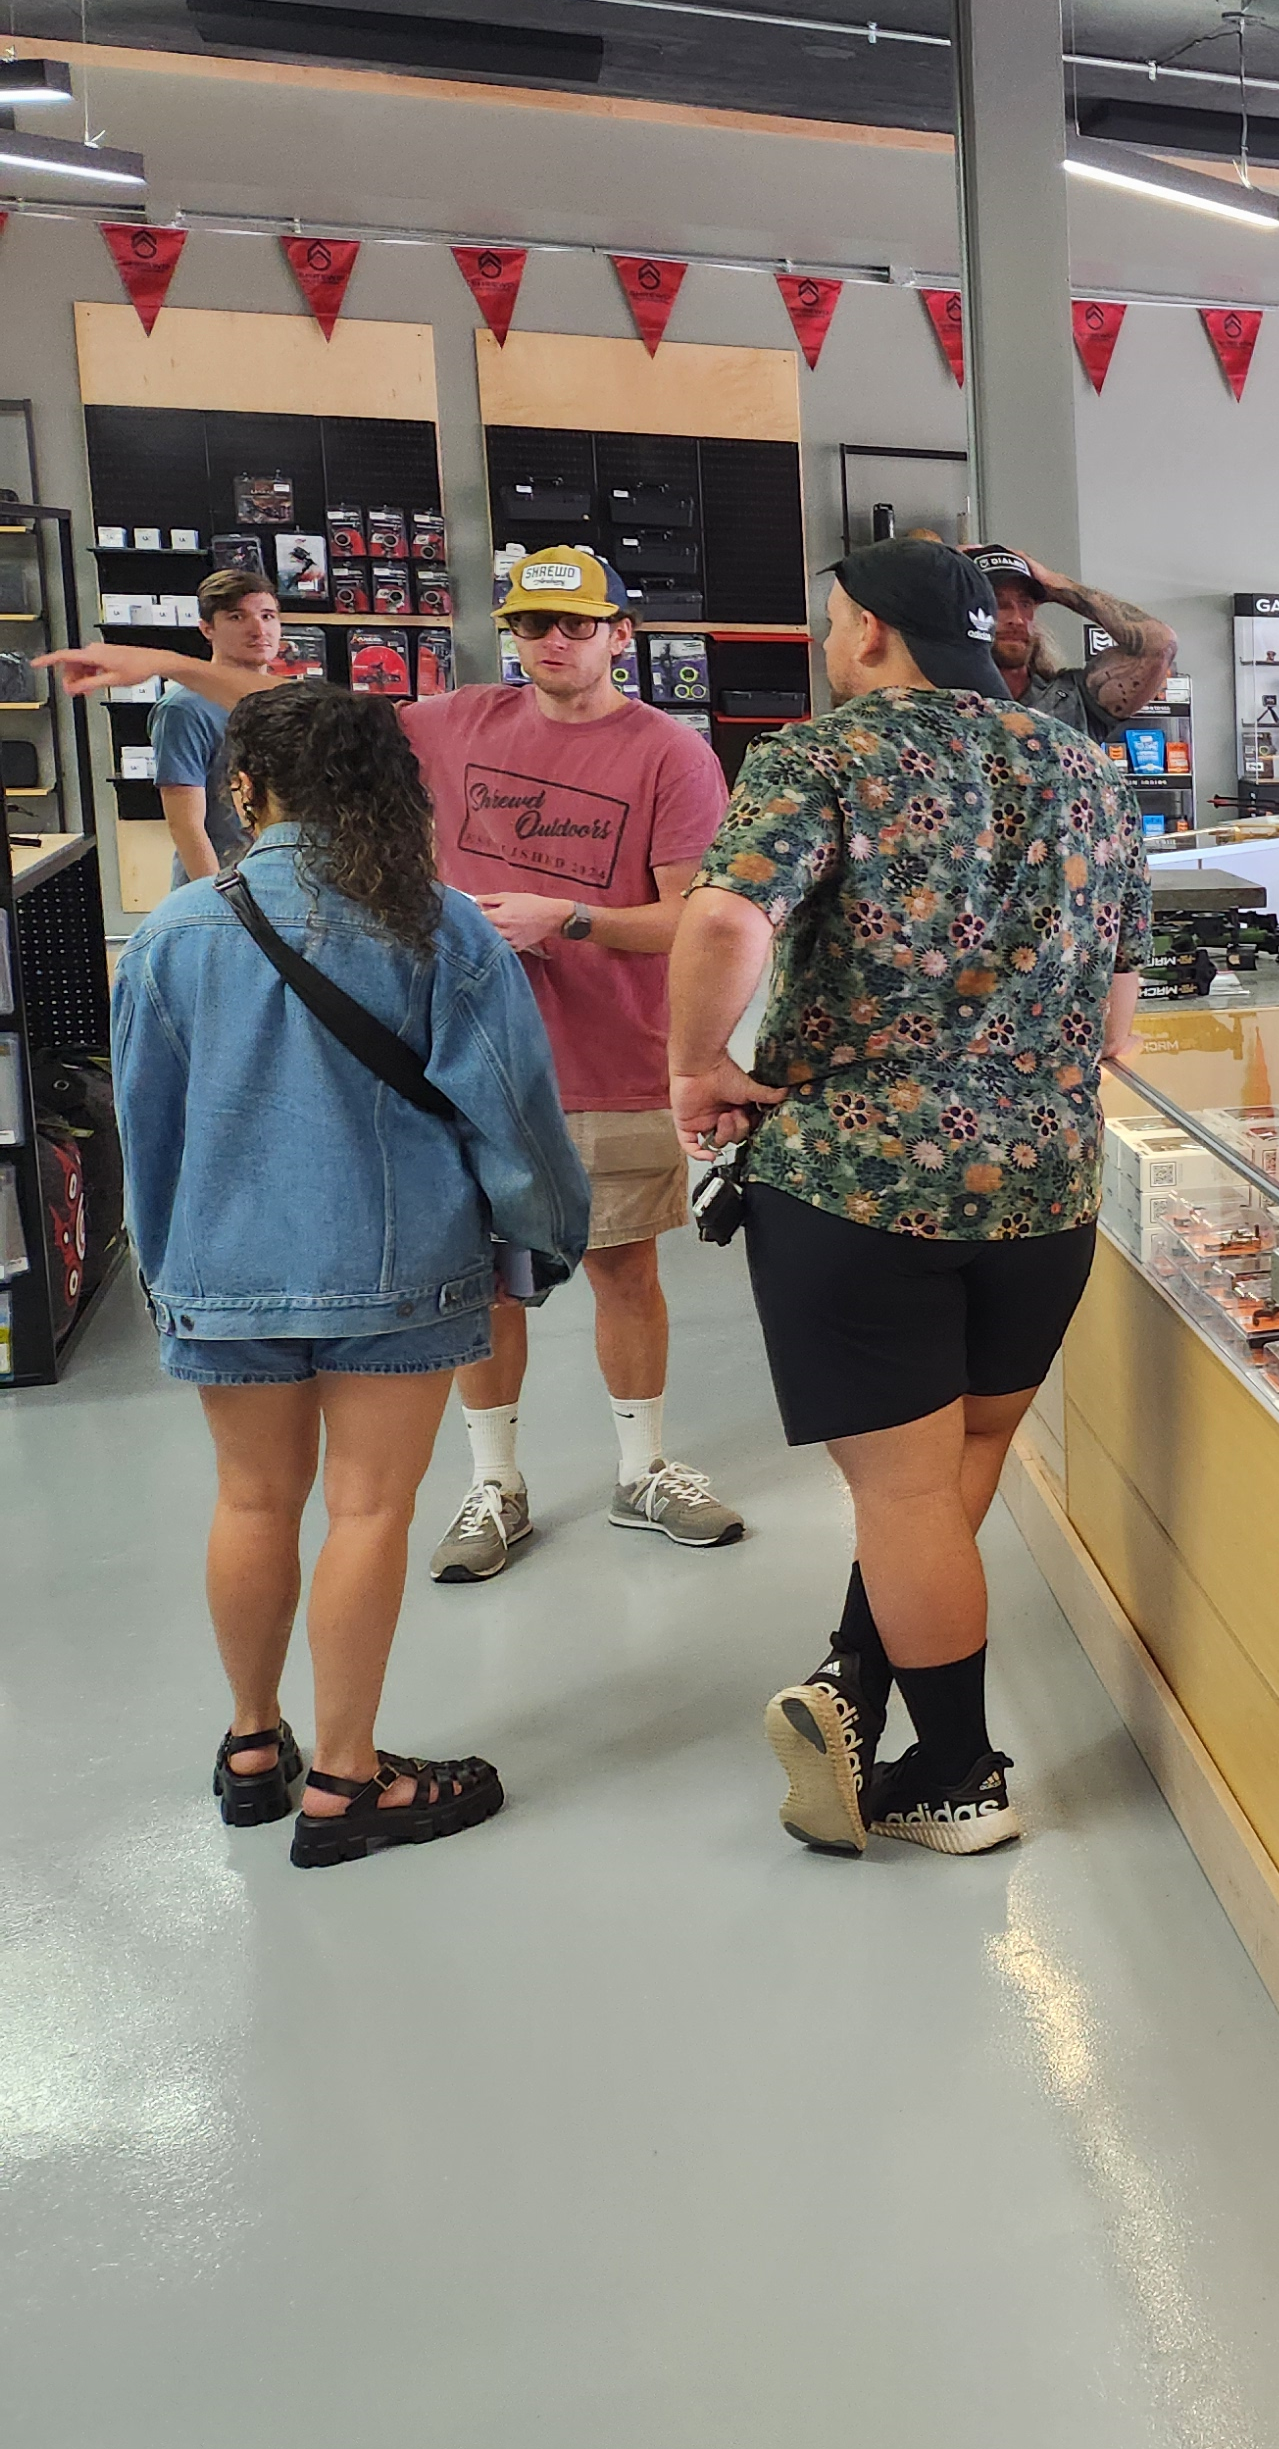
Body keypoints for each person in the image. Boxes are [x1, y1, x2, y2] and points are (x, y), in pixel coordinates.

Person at [60, 544, 752, 1572]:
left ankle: (642, 1466)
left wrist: (569, 921)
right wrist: (157, 664)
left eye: (574, 625)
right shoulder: (459, 721)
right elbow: (298, 708)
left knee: (623, 1269)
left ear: (619, 633)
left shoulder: (669, 754)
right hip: (447, 1062)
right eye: (531, 626)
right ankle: (495, 1484)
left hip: (608, 1058)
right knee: (481, 1288)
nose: (552, 644)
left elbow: (695, 920)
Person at [667, 537, 1149, 1861]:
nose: (831, 647)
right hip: (1045, 1195)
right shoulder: (1091, 775)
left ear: (874, 631)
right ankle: (855, 1677)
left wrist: (699, 1064)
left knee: (902, 1493)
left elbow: (720, 925)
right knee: (955, 1466)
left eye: (835, 625)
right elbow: (1119, 1022)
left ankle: (956, 1774)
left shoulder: (822, 757)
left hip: (862, 1193)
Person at [113, 683, 586, 1868]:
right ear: (391, 787)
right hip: (398, 1262)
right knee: (370, 1509)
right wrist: (547, 1236)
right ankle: (347, 1779)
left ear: (246, 789)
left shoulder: (172, 932)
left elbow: (144, 1127)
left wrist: (169, 1273)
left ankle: (252, 1745)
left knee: (252, 1501)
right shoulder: (440, 925)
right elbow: (516, 1118)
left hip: (222, 1265)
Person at [960, 537, 1177, 740]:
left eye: (1025, 603)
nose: (1017, 619)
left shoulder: (1072, 700)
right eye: (998, 603)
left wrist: (1055, 584)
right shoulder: (946, 702)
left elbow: (1159, 644)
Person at [155, 566, 292, 879]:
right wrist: (219, 903)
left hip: (286, 887)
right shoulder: (185, 709)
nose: (258, 629)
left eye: (268, 616)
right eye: (237, 617)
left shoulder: (293, 700)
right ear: (207, 629)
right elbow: (185, 825)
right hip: (225, 884)